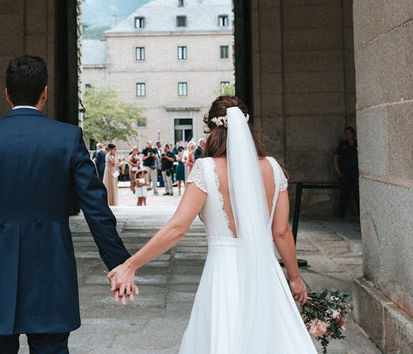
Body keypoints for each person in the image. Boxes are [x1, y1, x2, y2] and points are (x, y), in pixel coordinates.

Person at [0, 55, 132, 354]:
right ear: (45, 92)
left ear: (6, 94)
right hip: (51, 268)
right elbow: (96, 209)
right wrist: (120, 264)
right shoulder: (67, 138)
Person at [108, 96, 314, 353]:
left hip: (224, 275)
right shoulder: (272, 168)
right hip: (266, 271)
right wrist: (294, 278)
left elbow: (177, 228)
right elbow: (281, 232)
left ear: (213, 130)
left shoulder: (206, 169)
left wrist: (130, 265)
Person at [334, 126, 360, 218]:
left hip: (356, 172)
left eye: (349, 133)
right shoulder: (342, 144)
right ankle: (341, 214)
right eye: (346, 133)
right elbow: (336, 157)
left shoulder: (358, 144)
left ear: (353, 134)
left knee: (357, 194)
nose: (348, 135)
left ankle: (360, 214)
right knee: (344, 194)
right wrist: (337, 169)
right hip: (345, 172)